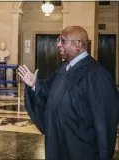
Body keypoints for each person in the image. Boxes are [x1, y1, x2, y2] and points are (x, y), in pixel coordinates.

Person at [18, 26, 119, 160]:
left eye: (63, 41)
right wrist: (35, 84)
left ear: (78, 44)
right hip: (57, 140)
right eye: (58, 40)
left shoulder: (95, 74)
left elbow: (104, 118)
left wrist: (103, 153)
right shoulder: (64, 68)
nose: (58, 44)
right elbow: (49, 93)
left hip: (80, 146)